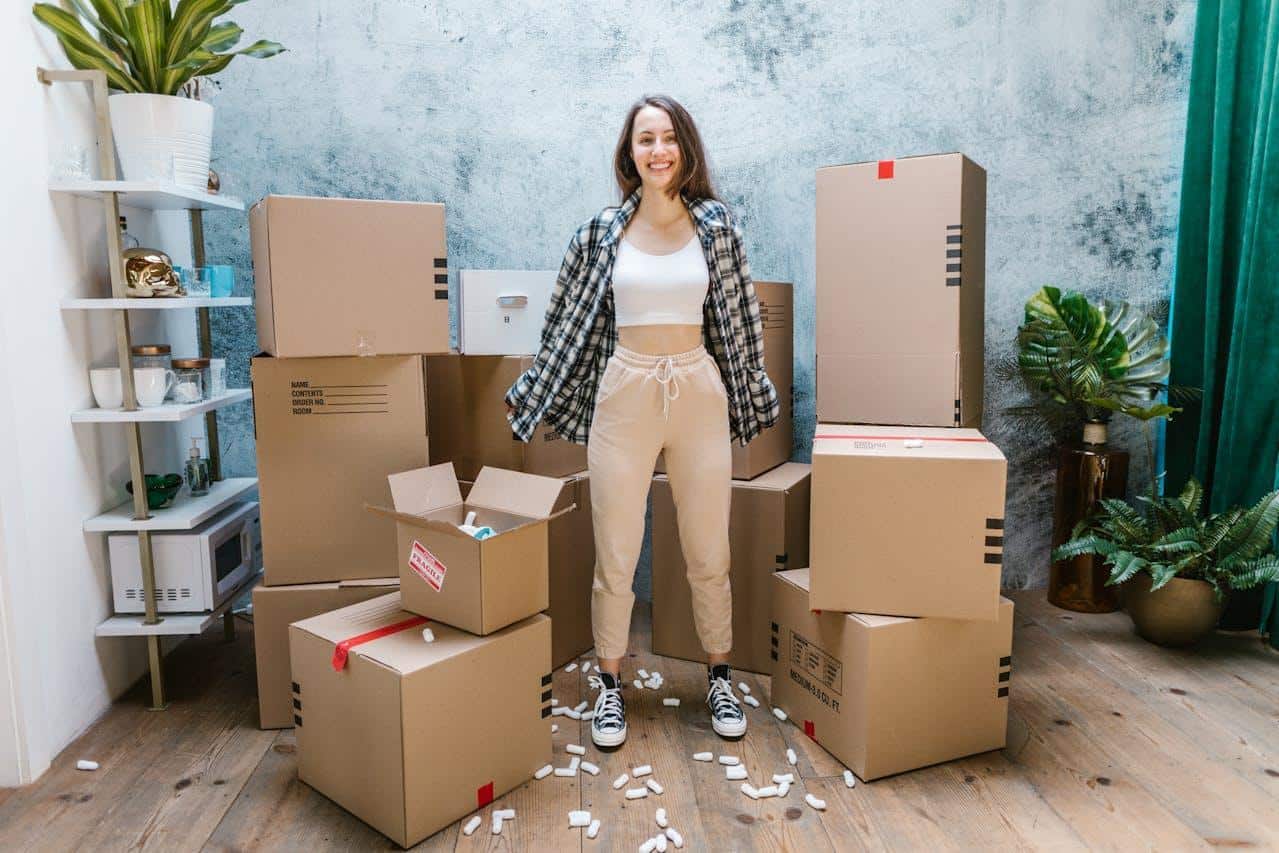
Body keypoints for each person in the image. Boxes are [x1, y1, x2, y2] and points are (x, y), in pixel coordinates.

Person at [505, 94, 779, 748]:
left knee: (708, 549)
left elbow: (740, 328)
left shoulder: (718, 229)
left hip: (697, 390)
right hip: (623, 390)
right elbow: (563, 326)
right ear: (629, 154)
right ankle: (608, 684)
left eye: (666, 138)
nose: (656, 151)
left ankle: (717, 673)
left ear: (684, 146)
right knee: (616, 551)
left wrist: (754, 391)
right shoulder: (598, 233)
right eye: (643, 140)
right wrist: (532, 386)